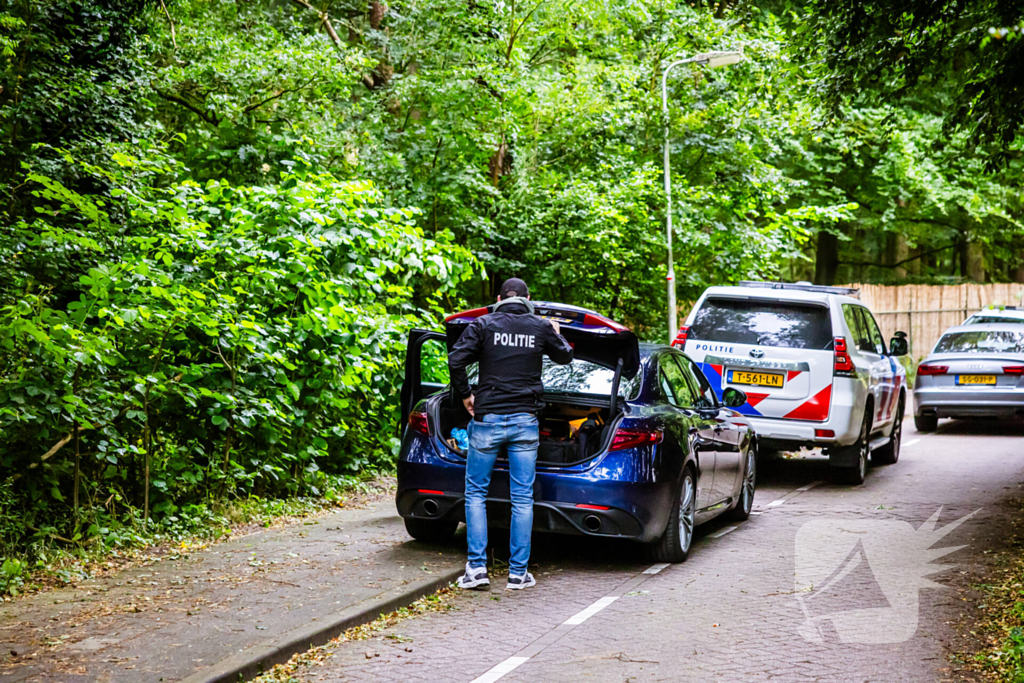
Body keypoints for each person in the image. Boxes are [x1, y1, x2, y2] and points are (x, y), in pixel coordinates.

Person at [448, 278, 573, 590]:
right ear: (528, 298)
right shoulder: (540, 327)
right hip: (524, 422)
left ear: (499, 298)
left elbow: (455, 360)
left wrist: (466, 395)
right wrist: (557, 334)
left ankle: (476, 569)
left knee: (476, 493)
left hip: (487, 419)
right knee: (522, 498)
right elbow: (566, 357)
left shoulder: (483, 324)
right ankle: (518, 573)